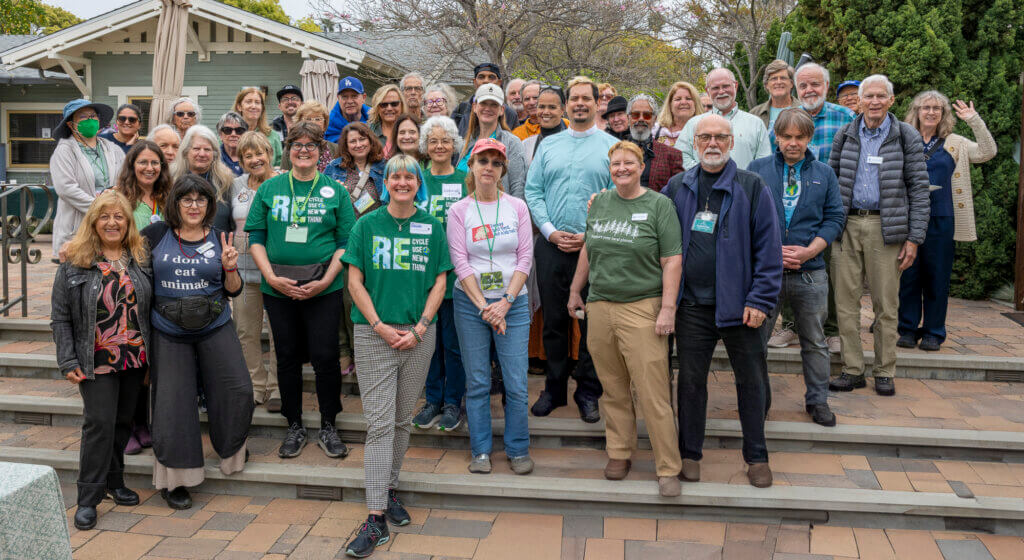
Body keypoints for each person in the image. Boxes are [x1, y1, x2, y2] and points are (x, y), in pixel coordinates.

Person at [341, 155, 451, 558]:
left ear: (417, 183)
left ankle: (387, 489)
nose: (402, 182)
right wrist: (380, 326)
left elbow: (440, 282)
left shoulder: (432, 226)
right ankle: (375, 518)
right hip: (375, 335)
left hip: (420, 334)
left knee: (403, 419)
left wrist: (421, 327)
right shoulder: (367, 224)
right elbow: (354, 281)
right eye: (395, 176)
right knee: (379, 424)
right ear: (385, 181)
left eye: (409, 176)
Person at [663, 114, 781, 488]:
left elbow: (769, 250)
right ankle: (690, 453)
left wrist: (760, 300)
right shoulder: (677, 186)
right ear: (694, 144)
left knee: (751, 381)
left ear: (731, 142)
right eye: (705, 138)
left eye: (720, 137)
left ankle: (757, 456)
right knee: (691, 382)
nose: (712, 144)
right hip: (692, 307)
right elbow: (651, 228)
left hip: (741, 307)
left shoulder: (752, 186)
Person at [568, 141, 683, 497]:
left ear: (640, 166)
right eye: (615, 163)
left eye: (628, 162)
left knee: (652, 392)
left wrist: (667, 309)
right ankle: (619, 452)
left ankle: (668, 467)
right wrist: (575, 290)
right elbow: (589, 248)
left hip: (643, 307)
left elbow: (672, 261)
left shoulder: (659, 205)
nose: (622, 168)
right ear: (609, 167)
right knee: (613, 387)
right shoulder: (600, 202)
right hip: (600, 305)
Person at [245, 121, 357, 458]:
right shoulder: (270, 189)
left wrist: (326, 280)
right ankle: (293, 423)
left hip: (323, 288)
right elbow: (256, 237)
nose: (304, 150)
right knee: (288, 358)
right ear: (288, 151)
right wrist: (271, 278)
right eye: (297, 145)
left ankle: (328, 423)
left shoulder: (335, 191)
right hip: (278, 288)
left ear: (322, 151)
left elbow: (345, 241)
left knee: (325, 357)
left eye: (311, 145)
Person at [142, 174, 252, 510]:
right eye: (186, 199)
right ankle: (176, 480)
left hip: (215, 324)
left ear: (209, 205)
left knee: (238, 389)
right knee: (173, 402)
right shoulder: (155, 234)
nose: (193, 205)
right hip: (168, 330)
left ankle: (232, 451)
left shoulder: (220, 237)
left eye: (200, 200)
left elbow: (233, 289)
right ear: (175, 203)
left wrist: (231, 268)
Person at [51, 190, 152, 530]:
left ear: (128, 223)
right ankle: (88, 498)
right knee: (99, 424)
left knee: (123, 422)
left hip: (135, 356)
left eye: (119, 217)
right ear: (94, 221)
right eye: (105, 216)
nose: (112, 222)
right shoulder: (75, 261)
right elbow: (60, 318)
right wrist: (67, 360)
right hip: (96, 359)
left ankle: (114, 481)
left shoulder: (140, 257)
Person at [827, 75, 930, 396]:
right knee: (845, 304)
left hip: (887, 230)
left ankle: (885, 370)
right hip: (846, 227)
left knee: (886, 305)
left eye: (879, 96)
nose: (873, 101)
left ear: (891, 100)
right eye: (867, 96)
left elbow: (919, 188)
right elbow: (831, 182)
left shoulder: (905, 135)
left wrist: (914, 238)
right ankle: (853, 369)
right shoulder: (845, 134)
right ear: (858, 101)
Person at [524, 75, 616, 423]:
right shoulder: (548, 146)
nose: (580, 104)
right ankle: (554, 388)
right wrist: (548, 231)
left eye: (586, 99)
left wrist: (589, 236)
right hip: (551, 246)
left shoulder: (610, 146)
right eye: (574, 99)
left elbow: (614, 194)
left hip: (593, 248)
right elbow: (533, 192)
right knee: (555, 321)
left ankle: (589, 390)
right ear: (566, 106)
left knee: (594, 322)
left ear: (596, 103)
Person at [749, 109, 845, 427]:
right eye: (787, 136)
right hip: (765, 272)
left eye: (799, 137)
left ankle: (817, 401)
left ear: (809, 138)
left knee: (815, 341)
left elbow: (834, 218)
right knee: (756, 342)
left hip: (810, 271)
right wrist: (771, 251)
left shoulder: (824, 173)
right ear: (776, 137)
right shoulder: (757, 170)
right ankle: (758, 401)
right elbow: (744, 216)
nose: (793, 143)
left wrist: (809, 251)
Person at [447, 138, 534, 475]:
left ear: (502, 170)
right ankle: (481, 449)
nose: (488, 167)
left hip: (514, 302)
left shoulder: (517, 207)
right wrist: (486, 306)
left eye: (495, 163)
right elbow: (460, 262)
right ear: (471, 166)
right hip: (471, 304)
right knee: (479, 380)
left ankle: (518, 448)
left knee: (516, 381)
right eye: (482, 160)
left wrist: (506, 302)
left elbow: (525, 257)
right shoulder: (459, 210)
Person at [898, 92, 996, 351]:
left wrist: (974, 120)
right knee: (907, 275)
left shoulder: (955, 142)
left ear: (943, 114)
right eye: (926, 108)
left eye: (937, 109)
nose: (931, 112)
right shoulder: (904, 139)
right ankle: (907, 329)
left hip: (942, 218)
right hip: (908, 218)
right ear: (916, 111)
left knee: (936, 277)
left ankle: (933, 332)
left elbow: (988, 152)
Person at [768, 63, 855, 353]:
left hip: (831, 205)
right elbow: (774, 162)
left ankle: (830, 330)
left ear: (826, 87)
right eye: (803, 85)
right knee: (790, 266)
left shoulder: (845, 117)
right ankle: (791, 327)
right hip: (792, 209)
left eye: (815, 84)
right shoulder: (783, 120)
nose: (809, 90)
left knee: (827, 272)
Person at [411, 116, 468, 431]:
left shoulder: (465, 180)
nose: (439, 146)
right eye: (433, 141)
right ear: (425, 146)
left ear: (454, 144)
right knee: (428, 343)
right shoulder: (417, 180)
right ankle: (432, 399)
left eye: (445, 140)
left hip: (458, 276)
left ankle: (452, 403)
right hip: (423, 274)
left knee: (454, 343)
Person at [230, 131, 282, 411]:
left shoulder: (283, 182)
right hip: (242, 270)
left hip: (275, 271)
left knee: (278, 332)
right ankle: (255, 384)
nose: (254, 159)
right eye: (248, 155)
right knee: (245, 331)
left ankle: (276, 387)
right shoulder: (235, 183)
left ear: (270, 154)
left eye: (259, 153)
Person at [50, 99, 125, 259]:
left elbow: (124, 180)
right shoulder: (64, 151)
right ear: (71, 125)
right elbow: (66, 188)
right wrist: (99, 208)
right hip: (77, 228)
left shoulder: (113, 149)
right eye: (83, 117)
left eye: (93, 116)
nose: (90, 120)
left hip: (109, 227)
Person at [676, 68, 771, 170]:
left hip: (743, 185)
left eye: (726, 86)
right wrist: (703, 177)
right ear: (707, 91)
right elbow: (680, 157)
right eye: (715, 88)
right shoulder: (693, 124)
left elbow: (764, 163)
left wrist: (747, 181)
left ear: (736, 86)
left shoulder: (755, 124)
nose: (721, 91)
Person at [455, 84, 527, 199]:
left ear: (502, 110)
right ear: (474, 107)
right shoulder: (465, 144)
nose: (488, 108)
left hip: (499, 213)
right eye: (483, 103)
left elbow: (518, 187)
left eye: (494, 105)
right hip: (465, 213)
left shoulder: (511, 143)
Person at [169, 125, 235, 234]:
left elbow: (235, 225)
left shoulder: (226, 183)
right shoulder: (171, 180)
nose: (202, 154)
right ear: (186, 151)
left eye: (207, 149)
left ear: (214, 154)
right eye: (196, 149)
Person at [325, 122, 388, 219]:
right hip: (346, 228)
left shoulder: (384, 167)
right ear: (346, 145)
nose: (358, 145)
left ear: (370, 141)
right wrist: (335, 194)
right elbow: (323, 203)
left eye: (362, 139)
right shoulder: (334, 167)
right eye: (353, 141)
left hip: (375, 227)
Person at [626, 94, 683, 192]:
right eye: (635, 115)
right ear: (628, 118)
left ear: (654, 119)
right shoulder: (614, 151)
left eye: (647, 115)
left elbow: (678, 194)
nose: (641, 119)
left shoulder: (672, 156)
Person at [451, 63, 519, 135]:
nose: (486, 81)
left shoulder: (510, 114)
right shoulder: (461, 110)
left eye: (491, 77)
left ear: (499, 82)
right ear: (475, 82)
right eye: (481, 77)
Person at [233, 87, 284, 167]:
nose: (253, 106)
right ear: (239, 107)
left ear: (262, 108)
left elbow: (280, 164)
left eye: (257, 102)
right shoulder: (229, 134)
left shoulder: (273, 136)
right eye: (248, 102)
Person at [282, 101, 337, 172]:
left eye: (318, 119)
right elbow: (284, 175)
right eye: (308, 119)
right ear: (299, 123)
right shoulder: (290, 148)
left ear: (325, 124)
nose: (313, 123)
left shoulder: (336, 149)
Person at [522, 86, 567, 166]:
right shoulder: (526, 145)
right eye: (542, 107)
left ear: (563, 109)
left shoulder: (573, 144)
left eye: (552, 107)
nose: (546, 112)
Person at [749, 60, 799, 130]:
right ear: (767, 85)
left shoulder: (804, 111)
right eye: (774, 79)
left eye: (783, 78)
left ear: (791, 83)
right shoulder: (754, 114)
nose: (778, 82)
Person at [652, 81, 704, 147]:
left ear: (696, 104)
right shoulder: (655, 131)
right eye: (678, 99)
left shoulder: (706, 131)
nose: (683, 102)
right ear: (670, 105)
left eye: (688, 98)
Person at [326, 76, 370, 143]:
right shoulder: (328, 126)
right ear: (338, 98)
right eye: (344, 97)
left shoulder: (376, 121)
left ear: (364, 97)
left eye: (354, 96)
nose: (349, 101)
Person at [368, 84, 406, 155]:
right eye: (383, 105)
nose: (389, 108)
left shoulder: (412, 130)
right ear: (377, 108)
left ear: (402, 105)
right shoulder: (367, 131)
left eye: (394, 104)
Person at [217, 112, 249, 176]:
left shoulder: (254, 156)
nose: (233, 134)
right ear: (220, 135)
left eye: (239, 130)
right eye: (227, 130)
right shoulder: (214, 158)